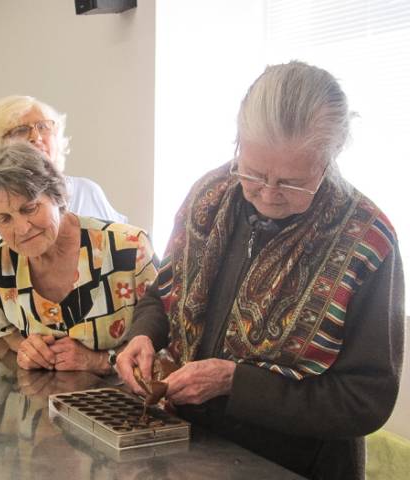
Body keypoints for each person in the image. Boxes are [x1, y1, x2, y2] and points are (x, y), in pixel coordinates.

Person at [116, 61, 405, 479]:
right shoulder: (209, 197)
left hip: (293, 465)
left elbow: (365, 400)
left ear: (329, 159)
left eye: (290, 182)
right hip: (188, 450)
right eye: (253, 172)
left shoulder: (366, 242)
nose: (267, 194)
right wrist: (142, 334)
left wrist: (236, 383)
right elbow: (164, 293)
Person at [0, 143, 157, 375]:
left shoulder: (129, 248)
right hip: (42, 400)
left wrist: (98, 361)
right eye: (4, 219)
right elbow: (8, 332)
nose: (22, 229)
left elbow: (167, 342)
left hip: (124, 399)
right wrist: (27, 349)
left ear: (56, 196)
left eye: (29, 208)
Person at [0, 95, 127, 331]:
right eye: (21, 129)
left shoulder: (89, 192)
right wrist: (35, 335)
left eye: (44, 126)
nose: (36, 137)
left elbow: (127, 273)